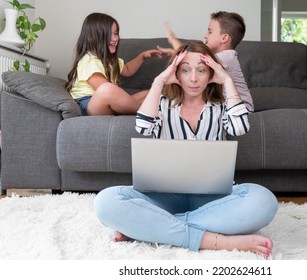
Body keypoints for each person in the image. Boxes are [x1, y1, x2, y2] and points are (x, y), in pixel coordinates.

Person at [94, 42, 278, 258]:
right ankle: (215, 241)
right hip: (161, 198)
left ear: (211, 73)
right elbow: (142, 127)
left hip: (213, 199)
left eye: (201, 70)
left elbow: (240, 127)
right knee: (105, 202)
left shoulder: (221, 106)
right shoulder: (161, 103)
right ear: (176, 73)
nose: (193, 78)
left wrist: (227, 80)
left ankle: (152, 227)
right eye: (185, 70)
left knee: (264, 200)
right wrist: (158, 81)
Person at [66, 13, 164, 115]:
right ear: (92, 37)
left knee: (151, 93)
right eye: (109, 34)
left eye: (116, 33)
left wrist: (142, 56)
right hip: (90, 105)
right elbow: (104, 90)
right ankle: (147, 111)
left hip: (108, 104)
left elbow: (128, 70)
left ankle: (138, 109)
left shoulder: (111, 60)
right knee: (107, 88)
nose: (115, 38)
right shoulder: (89, 61)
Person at [160, 11, 254, 112]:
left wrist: (173, 40)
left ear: (224, 38)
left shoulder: (228, 57)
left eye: (210, 32)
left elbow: (192, 58)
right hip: (225, 105)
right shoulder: (219, 57)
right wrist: (174, 52)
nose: (205, 36)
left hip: (242, 108)